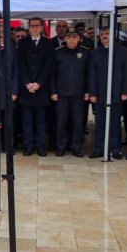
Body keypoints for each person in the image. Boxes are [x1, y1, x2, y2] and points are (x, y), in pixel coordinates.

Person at [87, 27, 127, 159]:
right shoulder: (95, 53)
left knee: (115, 123)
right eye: (102, 34)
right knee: (100, 123)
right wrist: (92, 93)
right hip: (100, 94)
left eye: (107, 34)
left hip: (117, 93)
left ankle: (116, 149)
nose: (104, 36)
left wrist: (125, 91)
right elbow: (91, 74)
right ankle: (99, 148)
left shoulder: (123, 51)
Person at [17, 17, 54, 156]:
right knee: (26, 121)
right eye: (32, 26)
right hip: (26, 89)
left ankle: (40, 146)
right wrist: (27, 83)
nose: (34, 28)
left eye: (37, 26)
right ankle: (28, 146)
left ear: (42, 27)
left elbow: (48, 66)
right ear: (28, 27)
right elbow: (21, 65)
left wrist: (38, 83)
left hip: (41, 88)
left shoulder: (48, 43)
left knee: (40, 121)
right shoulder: (22, 43)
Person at [50, 29, 90, 157]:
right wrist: (53, 91)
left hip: (79, 94)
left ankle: (76, 147)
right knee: (61, 122)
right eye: (69, 37)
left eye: (74, 37)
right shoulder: (58, 53)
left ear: (79, 39)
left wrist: (88, 91)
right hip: (62, 94)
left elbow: (89, 75)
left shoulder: (85, 53)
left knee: (78, 123)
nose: (71, 39)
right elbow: (53, 75)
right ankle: (61, 147)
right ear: (65, 39)